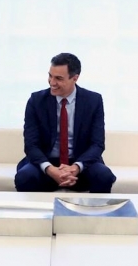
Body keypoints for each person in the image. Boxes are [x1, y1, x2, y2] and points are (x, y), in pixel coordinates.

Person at [14, 53, 116, 193]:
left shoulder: (93, 101)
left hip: (80, 163)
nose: (52, 82)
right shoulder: (36, 101)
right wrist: (51, 170)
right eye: (50, 76)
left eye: (58, 78)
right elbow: (31, 144)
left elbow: (97, 144)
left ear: (75, 78)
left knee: (104, 176)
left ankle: (95, 214)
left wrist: (76, 167)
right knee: (25, 177)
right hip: (46, 162)